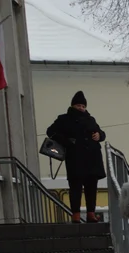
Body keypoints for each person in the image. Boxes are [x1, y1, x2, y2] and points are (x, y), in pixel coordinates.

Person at [46, 91, 106, 223]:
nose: (81, 108)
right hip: (75, 157)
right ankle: (76, 215)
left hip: (92, 158)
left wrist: (99, 136)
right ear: (73, 105)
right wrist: (67, 141)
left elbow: (101, 132)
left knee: (91, 187)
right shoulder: (64, 119)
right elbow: (50, 131)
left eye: (83, 106)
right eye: (78, 105)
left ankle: (91, 213)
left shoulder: (91, 119)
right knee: (75, 187)